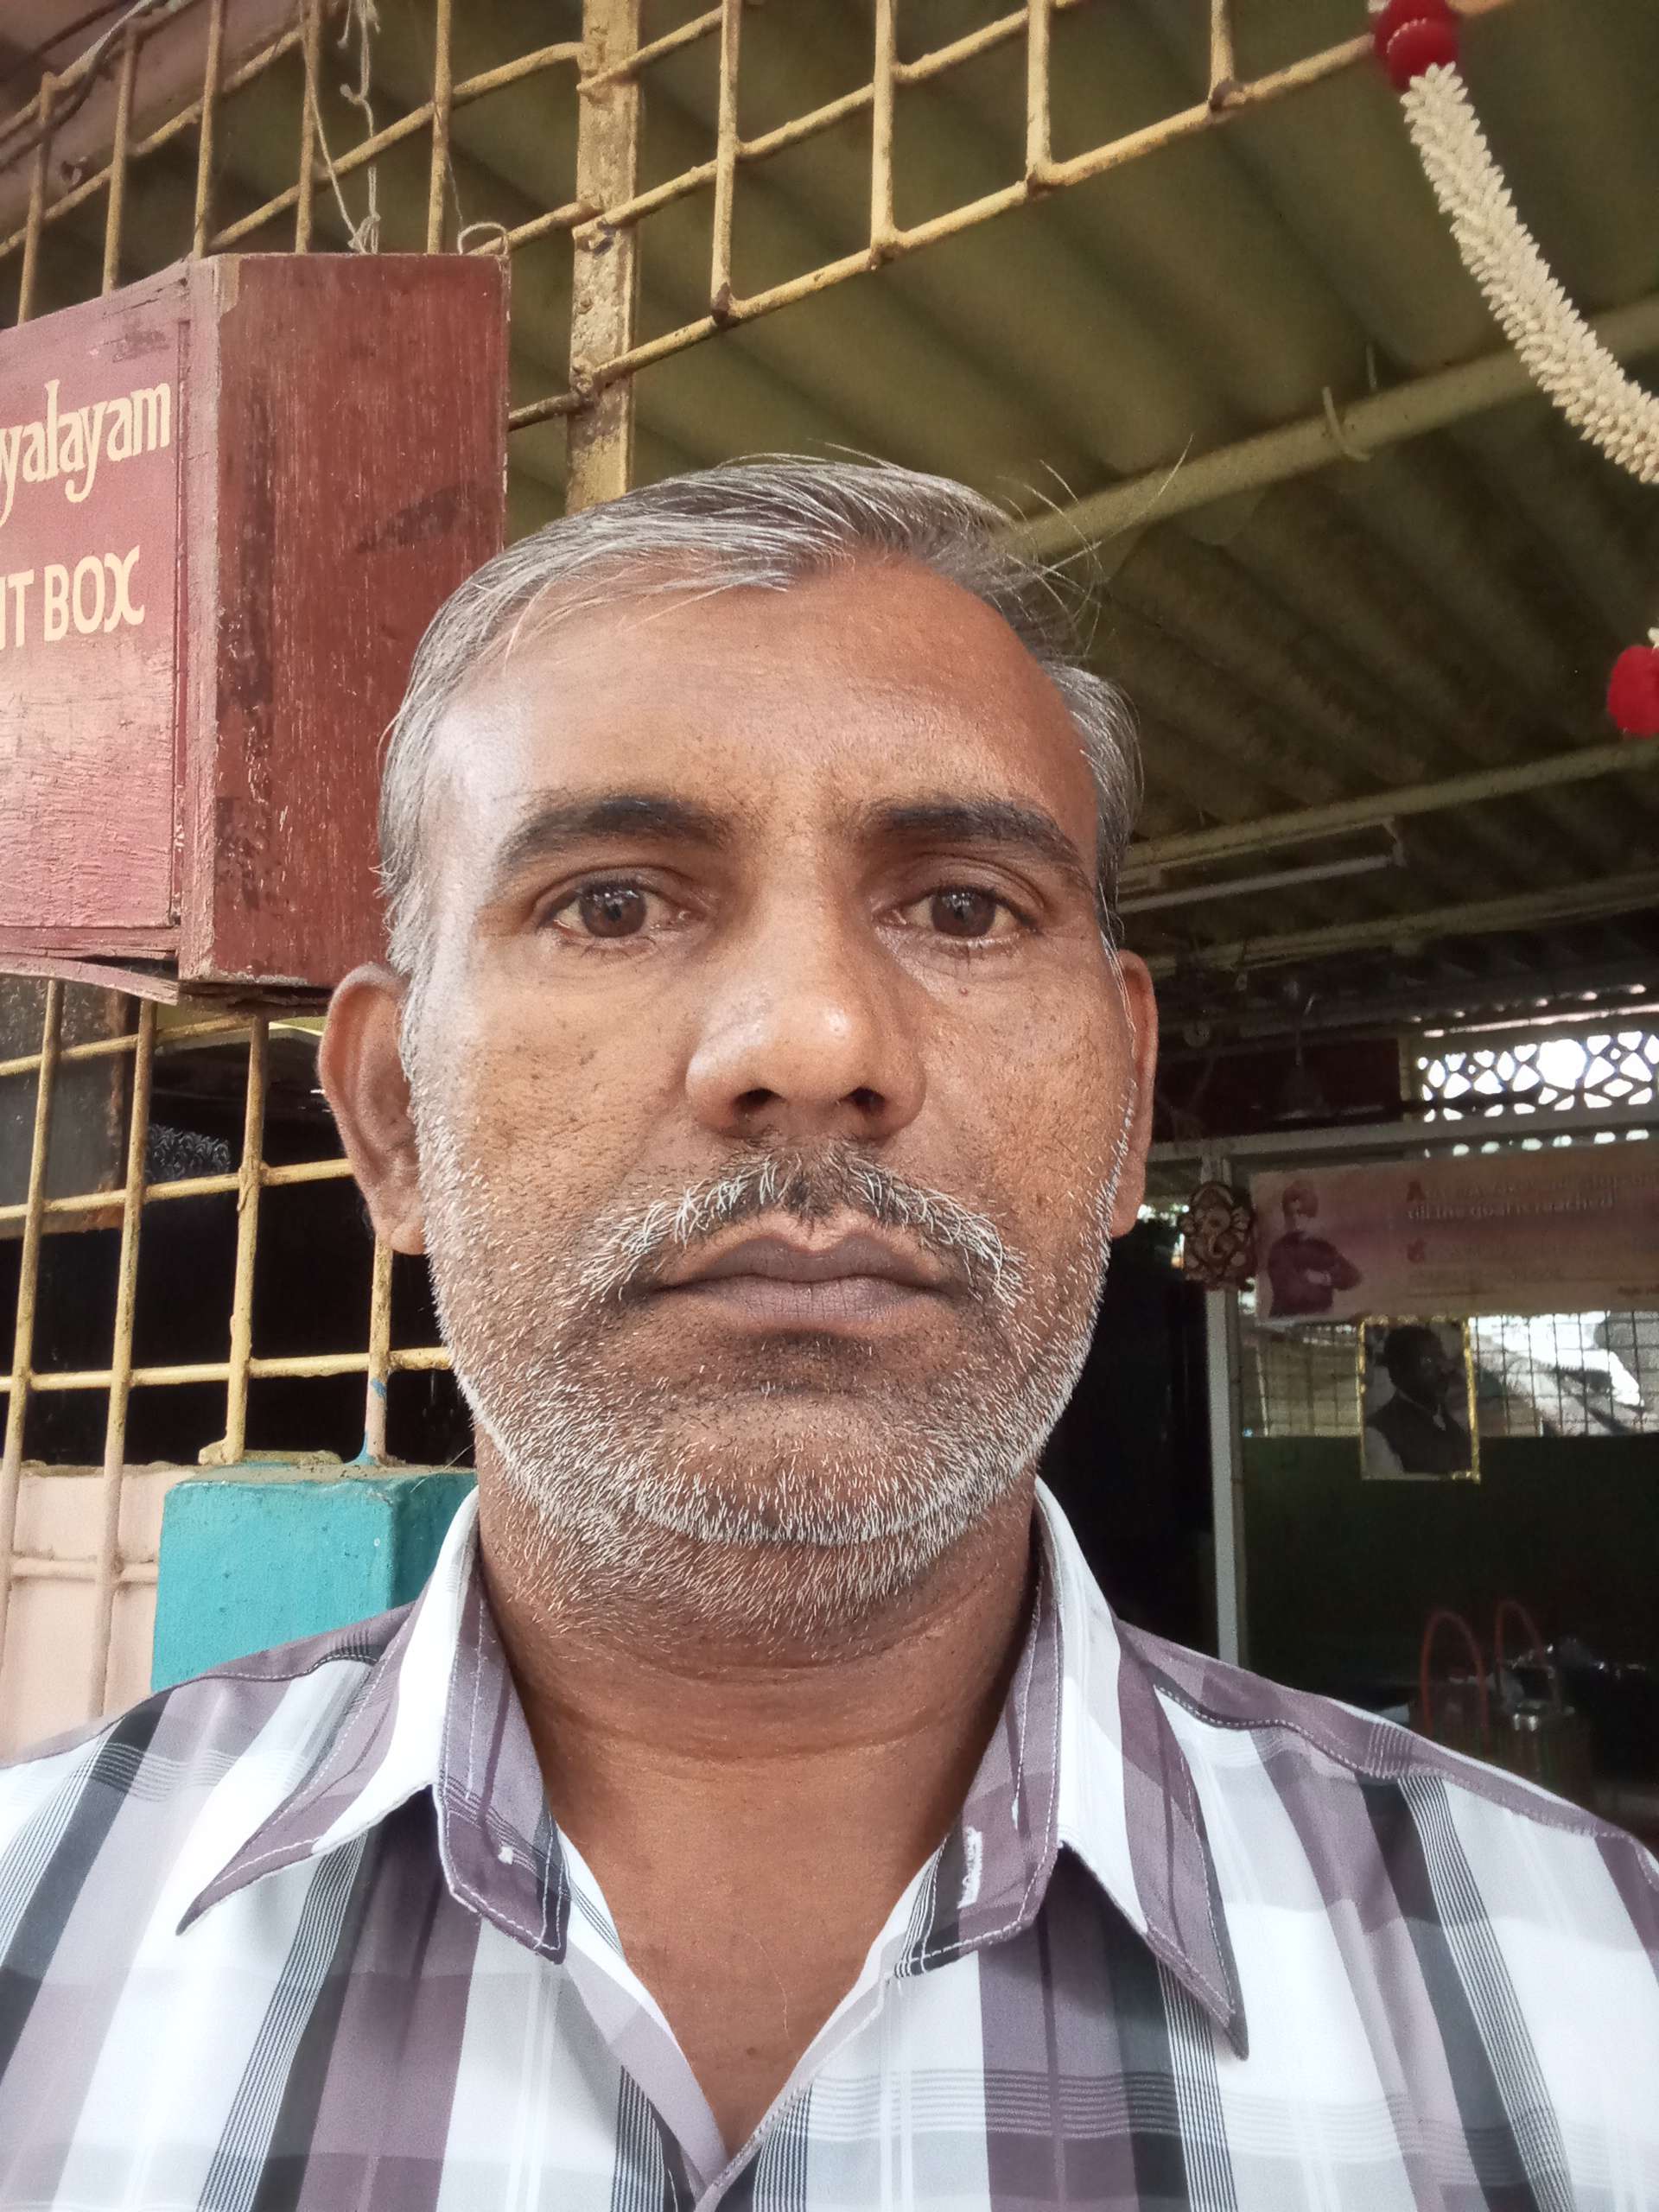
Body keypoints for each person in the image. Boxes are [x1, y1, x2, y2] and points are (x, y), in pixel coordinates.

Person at [1, 461, 1653, 2207]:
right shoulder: (38, 1937)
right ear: (392, 1117)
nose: (810, 1042)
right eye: (613, 902)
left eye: (963, 906)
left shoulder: (1587, 2014)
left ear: (1127, 1104)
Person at [1364, 1320, 1474, 1477]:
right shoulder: (1378, 1434)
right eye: (1428, 1361)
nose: (1443, 1369)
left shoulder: (1454, 1420)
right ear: (1398, 1372)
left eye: (1441, 1357)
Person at [1262, 1178, 1362, 1316]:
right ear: (1286, 1217)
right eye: (1291, 1215)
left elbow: (1353, 1276)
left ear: (1311, 1217)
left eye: (1303, 1214)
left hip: (1320, 1319)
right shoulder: (1280, 1250)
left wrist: (1325, 1278)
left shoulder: (1322, 1247)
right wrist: (1316, 1278)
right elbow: (1292, 1292)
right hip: (1288, 1320)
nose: (1296, 1220)